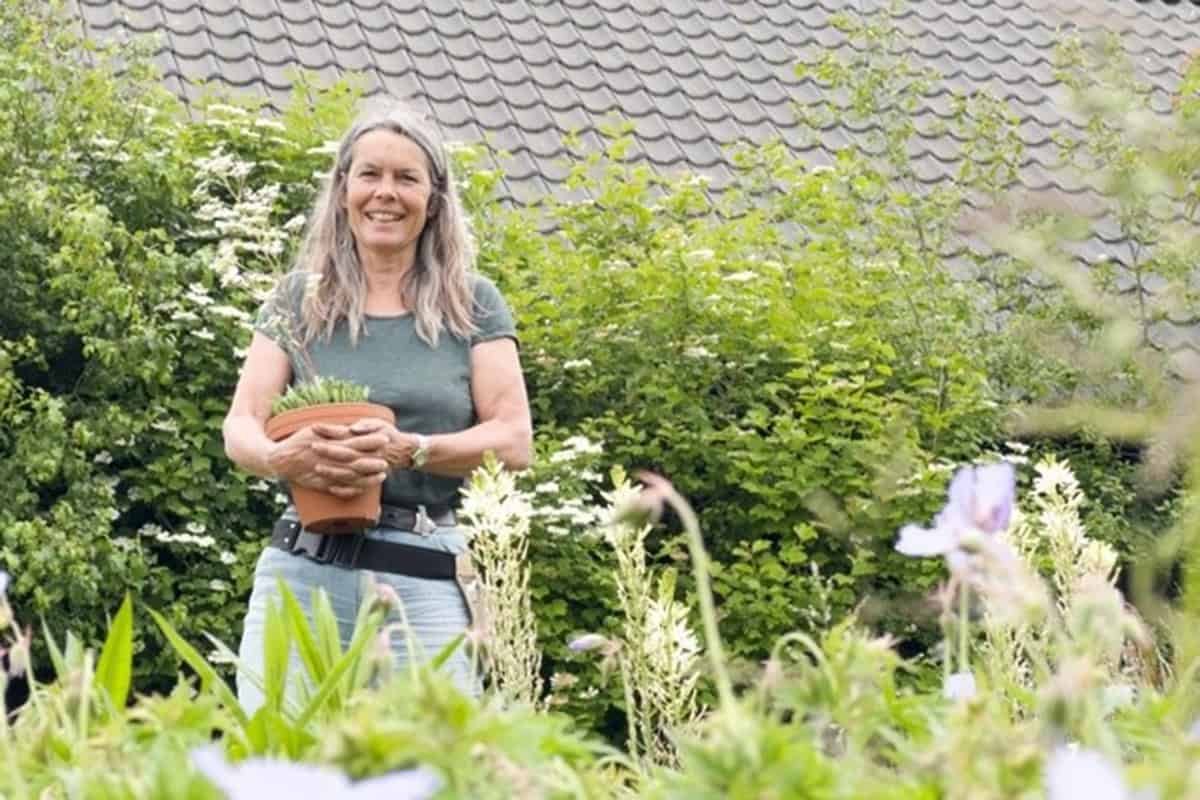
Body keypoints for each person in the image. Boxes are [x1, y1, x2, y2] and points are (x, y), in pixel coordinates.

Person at [223, 102, 532, 713]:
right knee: (280, 752)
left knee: (437, 754)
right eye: (369, 174)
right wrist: (283, 458)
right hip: (301, 571)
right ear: (344, 190)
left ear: (433, 199)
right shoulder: (298, 300)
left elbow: (514, 439)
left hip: (425, 575)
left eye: (406, 178)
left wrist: (413, 450)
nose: (385, 193)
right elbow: (241, 425)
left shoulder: (472, 304)